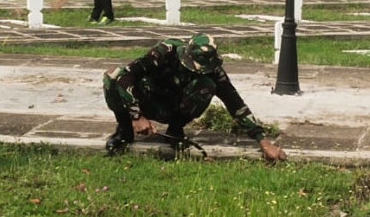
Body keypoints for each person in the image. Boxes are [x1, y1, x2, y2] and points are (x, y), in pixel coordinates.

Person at [102, 33, 287, 162]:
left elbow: (235, 104)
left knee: (207, 86)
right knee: (111, 77)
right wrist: (136, 115)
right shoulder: (166, 52)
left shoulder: (214, 71)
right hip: (147, 99)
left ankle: (175, 131)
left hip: (174, 108)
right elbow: (126, 75)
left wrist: (263, 141)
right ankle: (124, 132)